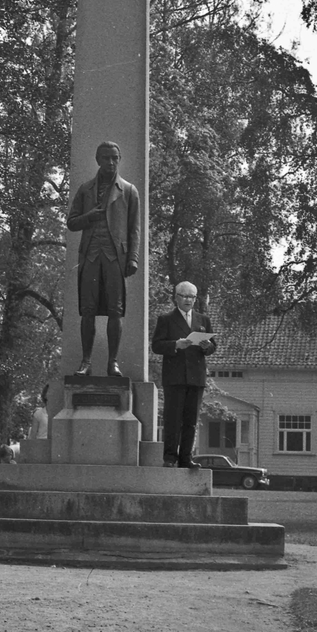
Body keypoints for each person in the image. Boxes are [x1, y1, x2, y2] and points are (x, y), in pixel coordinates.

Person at [65, 141, 140, 377]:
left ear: (119, 159)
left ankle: (112, 362)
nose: (111, 162)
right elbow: (72, 222)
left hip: (115, 257)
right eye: (106, 158)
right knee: (87, 310)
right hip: (90, 255)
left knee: (115, 310)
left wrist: (133, 258)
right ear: (98, 160)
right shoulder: (85, 189)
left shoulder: (128, 190)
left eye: (115, 158)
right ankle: (85, 362)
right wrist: (89, 216)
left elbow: (134, 228)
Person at [151, 282, 217, 468]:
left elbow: (213, 347)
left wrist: (207, 347)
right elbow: (156, 346)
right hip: (175, 377)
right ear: (176, 297)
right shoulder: (166, 319)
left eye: (192, 297)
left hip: (196, 377)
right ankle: (170, 458)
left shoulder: (203, 320)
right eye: (184, 296)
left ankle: (186, 458)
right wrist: (174, 345)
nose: (188, 300)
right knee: (173, 419)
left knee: (191, 420)